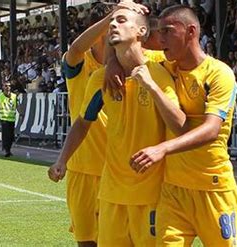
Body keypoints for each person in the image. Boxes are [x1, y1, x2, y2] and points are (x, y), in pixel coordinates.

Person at [51, 4, 186, 246]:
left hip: (145, 186)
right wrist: (62, 159)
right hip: (101, 181)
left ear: (141, 31)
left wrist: (148, 84)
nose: (113, 25)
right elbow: (82, 122)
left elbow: (180, 124)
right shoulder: (93, 75)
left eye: (120, 21)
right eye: (111, 22)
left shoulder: (159, 67)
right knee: (86, 240)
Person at [128, 5, 237, 246]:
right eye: (159, 32)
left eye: (168, 31)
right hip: (174, 189)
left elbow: (212, 130)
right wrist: (115, 65)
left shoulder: (219, 74)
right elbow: (127, 49)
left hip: (212, 186)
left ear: (191, 31)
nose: (160, 38)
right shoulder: (166, 67)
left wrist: (162, 148)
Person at [47, 3, 111, 246]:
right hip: (83, 168)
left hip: (116, 169)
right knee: (86, 242)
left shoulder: (129, 64)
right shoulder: (80, 63)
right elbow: (74, 49)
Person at [0, 81, 18, 157]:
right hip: (4, 118)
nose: (7, 87)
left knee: (11, 136)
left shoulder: (14, 96)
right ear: (3, 87)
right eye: (5, 86)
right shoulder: (0, 96)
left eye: (8, 86)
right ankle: (6, 150)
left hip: (12, 118)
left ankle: (8, 149)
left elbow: (17, 105)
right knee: (6, 135)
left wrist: (21, 113)